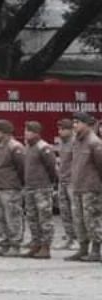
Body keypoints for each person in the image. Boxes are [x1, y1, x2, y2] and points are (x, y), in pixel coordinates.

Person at [66, 111, 102, 262]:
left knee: (92, 219)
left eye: (78, 122)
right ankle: (83, 249)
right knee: (79, 220)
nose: (74, 125)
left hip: (91, 188)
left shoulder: (94, 142)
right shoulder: (76, 141)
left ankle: (96, 250)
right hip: (78, 186)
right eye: (73, 122)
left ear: (86, 124)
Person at [0, 120, 25, 257]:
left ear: (5, 132)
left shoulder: (15, 147)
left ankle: (15, 245)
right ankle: (4, 244)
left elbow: (21, 167)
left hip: (10, 187)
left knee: (12, 217)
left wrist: (17, 182)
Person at [22, 121, 57, 259]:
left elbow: (51, 167)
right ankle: (35, 244)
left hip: (42, 188)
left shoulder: (43, 147)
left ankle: (45, 247)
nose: (26, 133)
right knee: (32, 218)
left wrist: (49, 183)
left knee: (44, 218)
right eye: (26, 130)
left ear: (36, 133)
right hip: (30, 187)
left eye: (29, 131)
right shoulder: (28, 147)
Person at [55, 118, 76, 250]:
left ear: (71, 130)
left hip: (73, 182)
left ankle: (79, 240)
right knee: (64, 211)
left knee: (75, 212)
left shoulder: (76, 143)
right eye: (59, 129)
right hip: (62, 181)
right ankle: (69, 238)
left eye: (63, 129)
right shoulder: (62, 143)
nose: (60, 131)